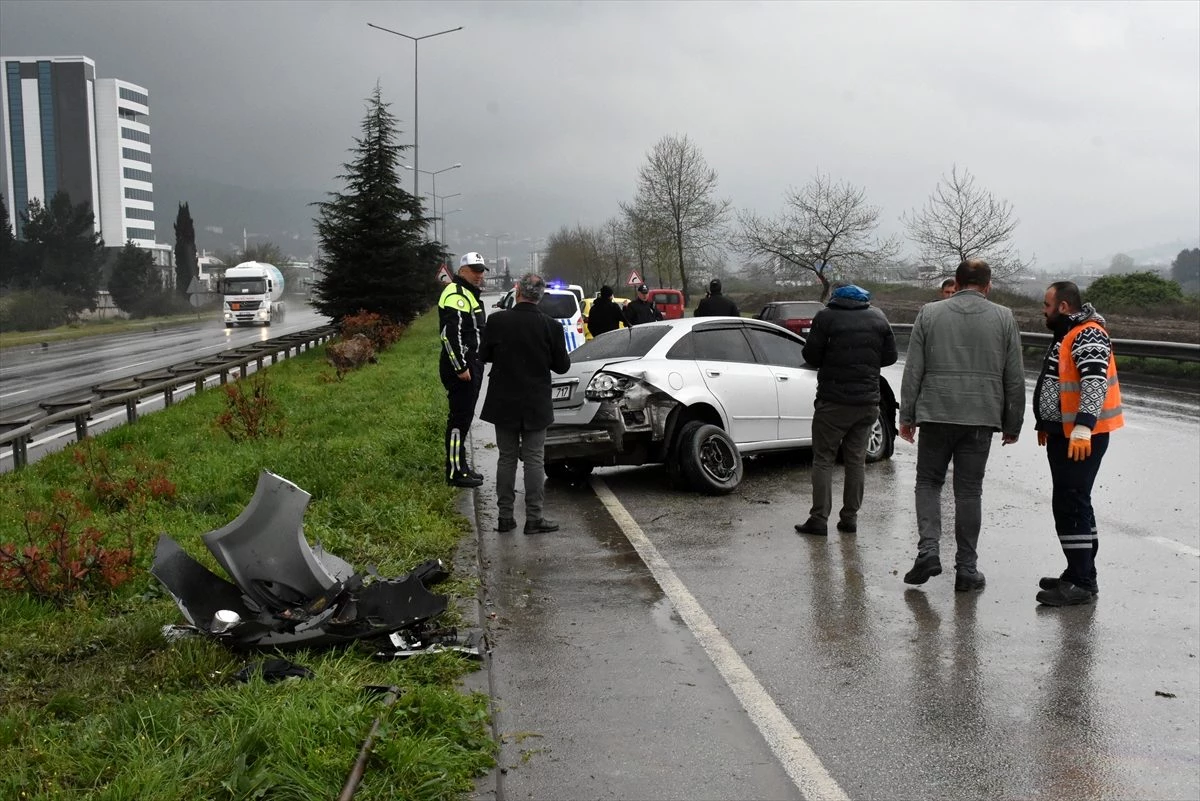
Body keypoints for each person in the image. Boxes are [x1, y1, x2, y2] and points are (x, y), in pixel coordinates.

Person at [899, 258, 1024, 591]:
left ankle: (928, 550)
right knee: (969, 492)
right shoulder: (1004, 317)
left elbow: (913, 370)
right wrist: (1013, 421)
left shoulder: (929, 313)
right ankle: (967, 570)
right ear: (988, 285)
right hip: (981, 416)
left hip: (936, 413)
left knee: (928, 482)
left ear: (955, 281)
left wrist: (907, 416)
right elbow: (1014, 376)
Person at [1032, 281, 1123, 606]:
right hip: (1065, 433)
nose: (1043, 310)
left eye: (1047, 304)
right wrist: (1047, 423)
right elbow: (1059, 379)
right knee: (1073, 501)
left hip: (1082, 437)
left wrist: (1083, 428)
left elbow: (1094, 381)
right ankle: (1079, 571)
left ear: (1064, 307)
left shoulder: (1088, 333)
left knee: (1072, 503)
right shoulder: (1070, 333)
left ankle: (1082, 581)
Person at [794, 283, 897, 537]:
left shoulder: (826, 317)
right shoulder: (878, 317)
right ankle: (849, 518)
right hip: (867, 404)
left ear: (835, 299)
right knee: (856, 461)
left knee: (823, 459)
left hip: (833, 402)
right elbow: (890, 357)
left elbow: (811, 355)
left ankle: (818, 519)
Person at [480, 273, 571, 534]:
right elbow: (562, 366)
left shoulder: (497, 321)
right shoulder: (551, 326)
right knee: (533, 459)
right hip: (536, 401)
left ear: (517, 291)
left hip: (504, 400)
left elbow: (483, 355)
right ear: (540, 296)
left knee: (506, 458)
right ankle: (534, 518)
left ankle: (505, 518)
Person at [438, 252, 489, 488]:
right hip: (462, 368)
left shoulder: (469, 294)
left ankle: (462, 467)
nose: (479, 275)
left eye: (481, 271)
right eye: (475, 270)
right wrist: (460, 366)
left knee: (465, 418)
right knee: (459, 420)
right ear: (462, 271)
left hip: (472, 364)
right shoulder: (456, 294)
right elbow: (450, 335)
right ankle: (455, 473)